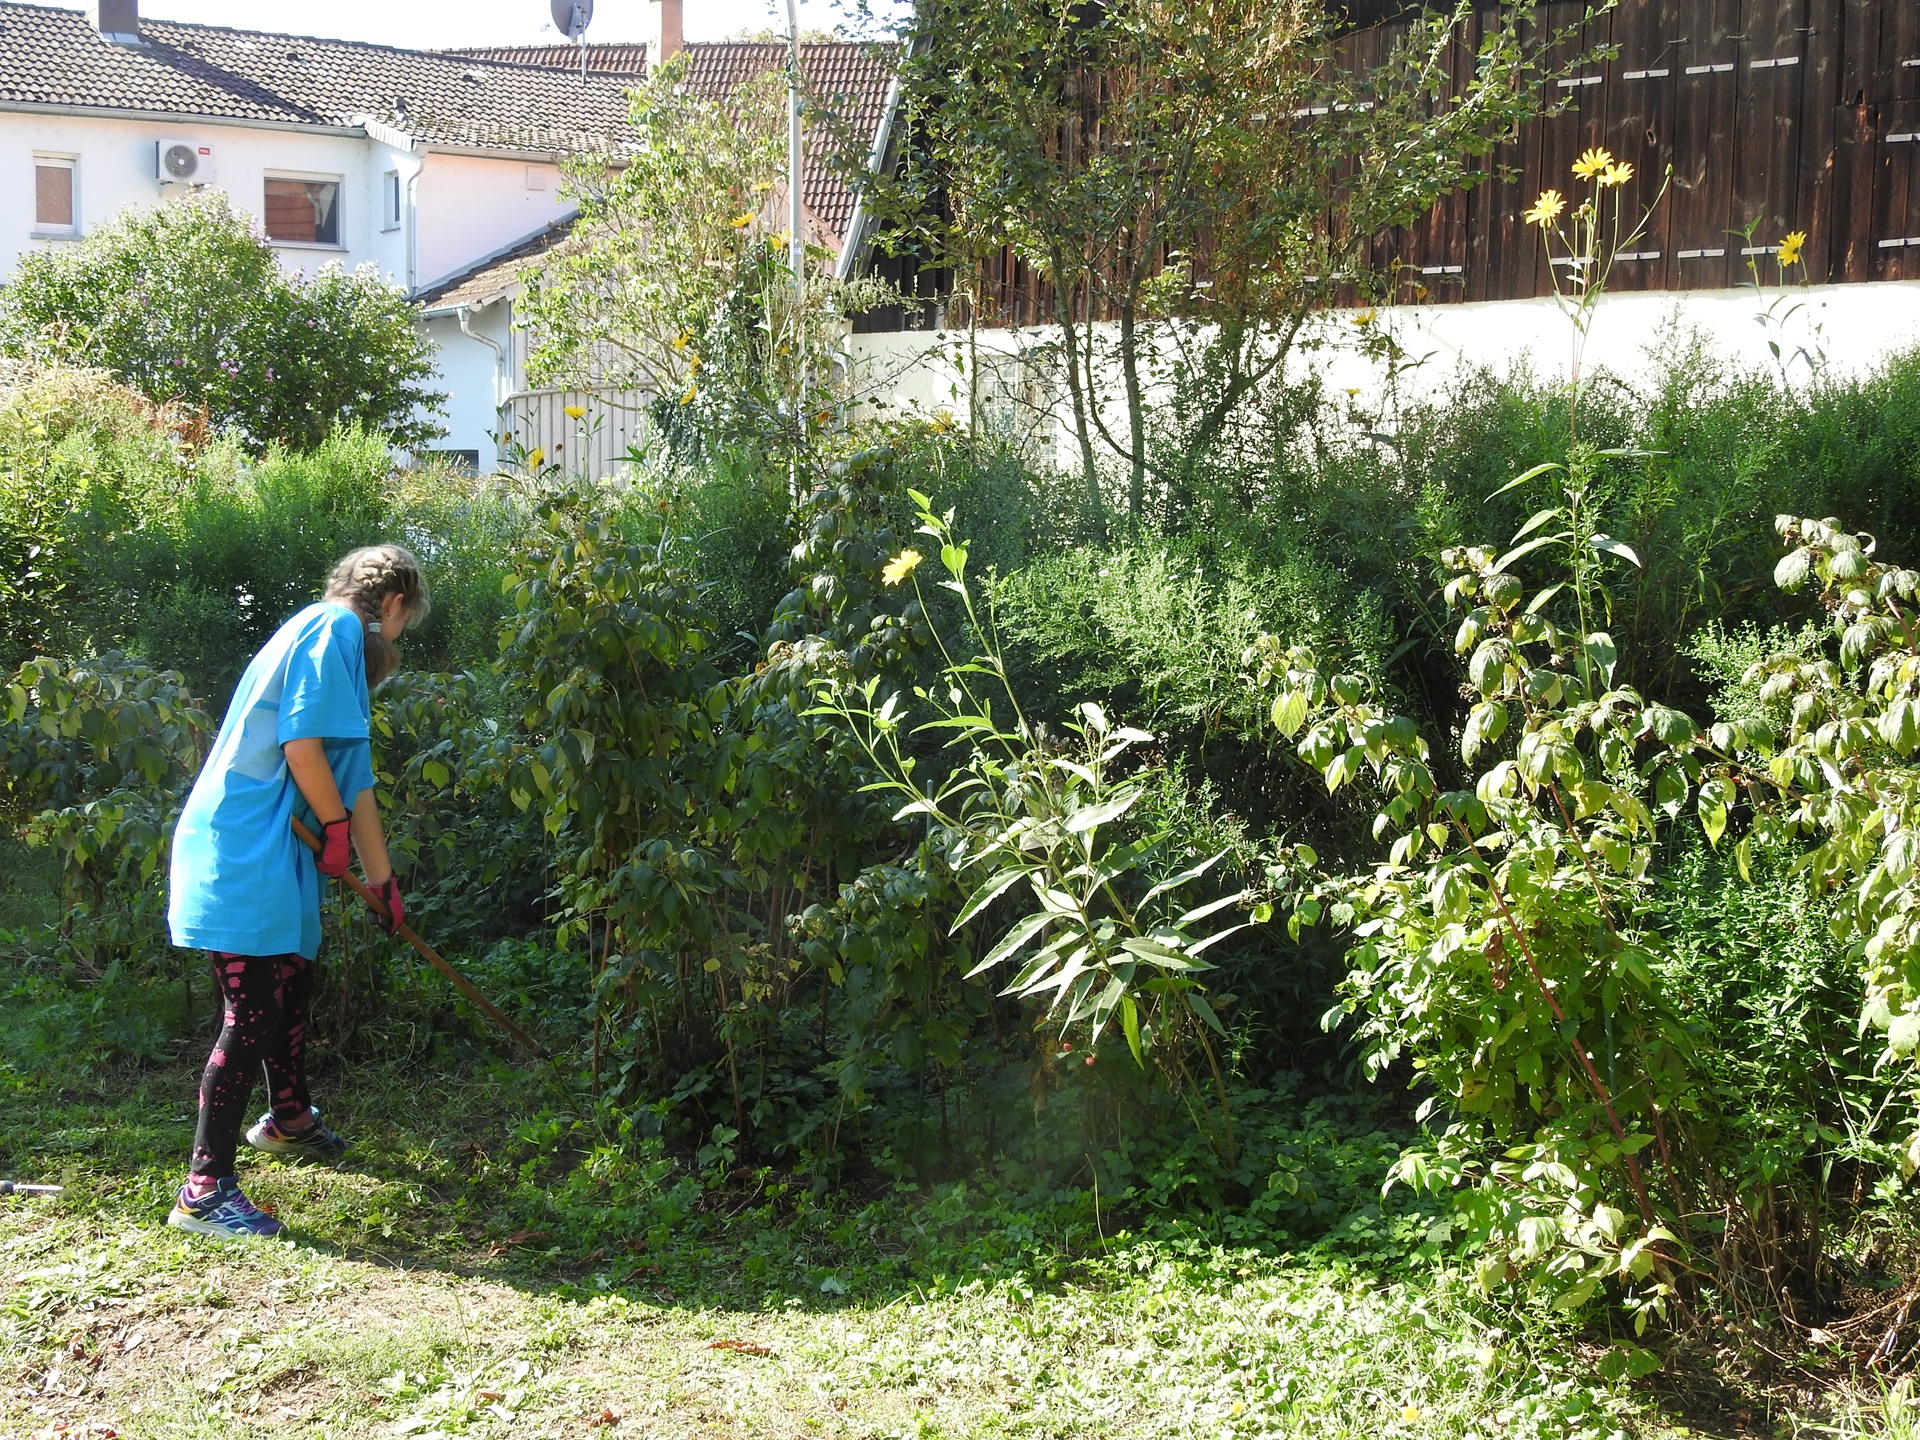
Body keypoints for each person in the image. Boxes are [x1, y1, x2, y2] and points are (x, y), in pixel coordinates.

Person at [164, 545, 429, 1239]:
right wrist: (335, 828)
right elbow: (302, 749)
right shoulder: (334, 628)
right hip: (244, 842)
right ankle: (205, 1191)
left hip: (273, 849)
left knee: (292, 981)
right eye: (405, 622)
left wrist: (383, 879)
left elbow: (354, 779)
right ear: (394, 602)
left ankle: (289, 1121)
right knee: (251, 1009)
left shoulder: (333, 644)